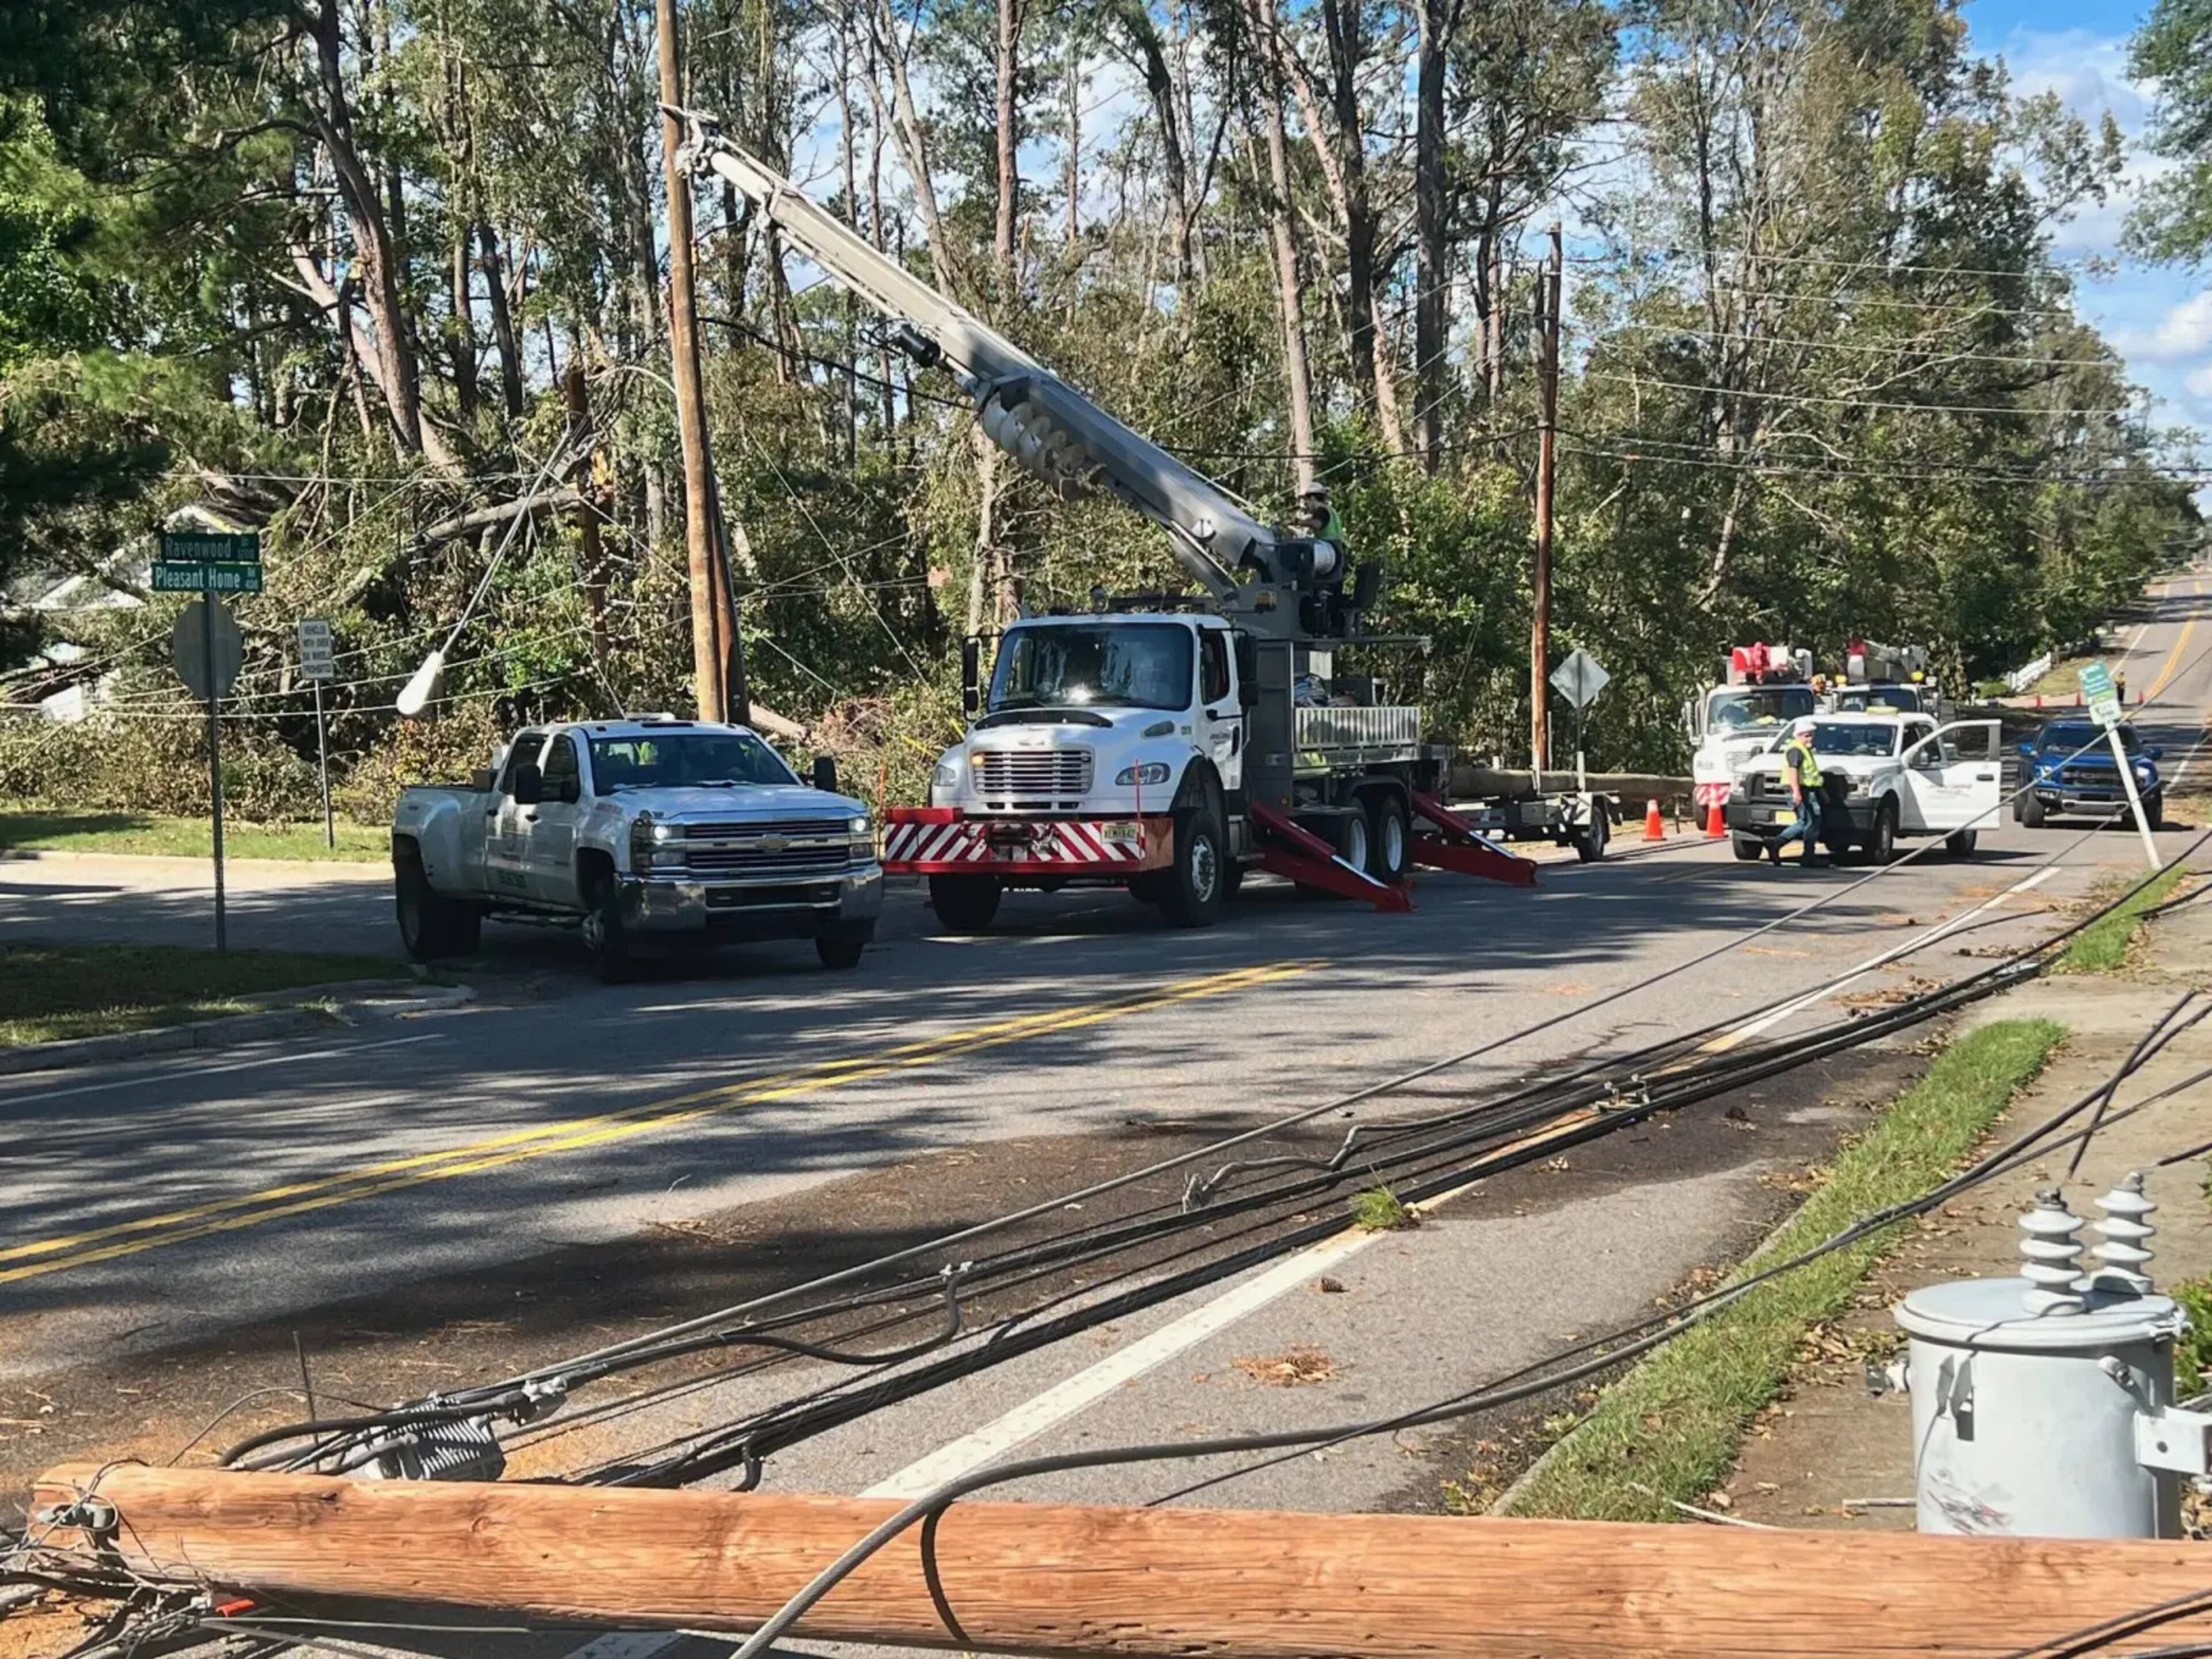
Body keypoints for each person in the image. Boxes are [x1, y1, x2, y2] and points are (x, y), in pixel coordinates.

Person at [1768, 717, 1826, 868]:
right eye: (1807, 735)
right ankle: (1805, 856)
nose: (1810, 738)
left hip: (1807, 790)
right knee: (1810, 822)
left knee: (1806, 822)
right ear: (1799, 735)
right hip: (1802, 790)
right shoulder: (1796, 750)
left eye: (1812, 735)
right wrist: (1797, 792)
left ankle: (1778, 845)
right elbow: (1793, 770)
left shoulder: (1803, 749)